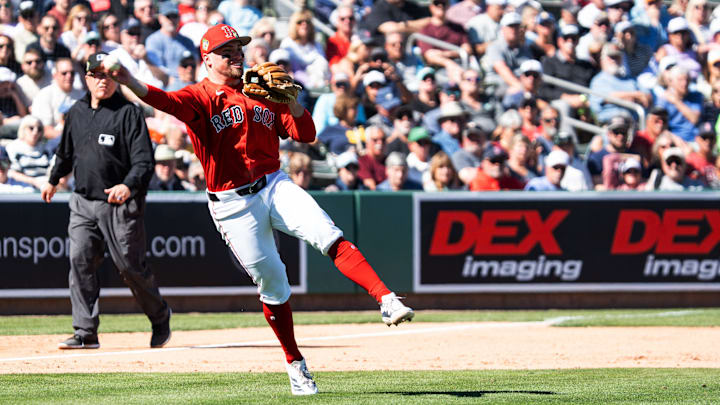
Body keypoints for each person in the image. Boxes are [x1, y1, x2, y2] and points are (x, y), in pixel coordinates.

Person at [103, 25, 414, 395]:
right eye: (227, 50)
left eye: (238, 48)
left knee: (326, 233)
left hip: (274, 182)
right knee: (274, 285)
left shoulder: (260, 89)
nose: (237, 55)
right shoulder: (200, 97)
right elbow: (162, 99)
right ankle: (295, 363)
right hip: (233, 205)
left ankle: (385, 298)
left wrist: (293, 102)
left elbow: (306, 134)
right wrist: (127, 79)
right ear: (208, 59)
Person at [40, 52, 172, 351]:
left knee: (129, 266)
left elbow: (144, 162)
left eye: (109, 75)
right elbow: (65, 153)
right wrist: (52, 179)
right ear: (86, 78)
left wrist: (127, 185)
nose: (103, 80)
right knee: (80, 260)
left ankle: (160, 315)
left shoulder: (129, 113)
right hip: (83, 201)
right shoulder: (76, 111)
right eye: (97, 75)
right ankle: (85, 331)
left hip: (120, 205)